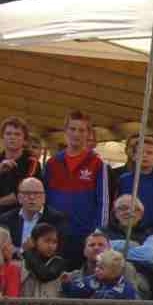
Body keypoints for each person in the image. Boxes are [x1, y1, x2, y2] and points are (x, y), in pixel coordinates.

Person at [41, 110, 109, 263]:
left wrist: (99, 232)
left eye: (81, 130)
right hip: (55, 235)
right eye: (72, 129)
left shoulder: (97, 164)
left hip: (84, 235)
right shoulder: (52, 163)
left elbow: (103, 202)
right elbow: (43, 198)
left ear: (88, 134)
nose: (76, 134)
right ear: (65, 131)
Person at [113, 136, 153, 250]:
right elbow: (115, 209)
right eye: (140, 152)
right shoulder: (124, 180)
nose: (145, 156)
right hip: (128, 237)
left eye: (149, 153)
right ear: (133, 156)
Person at [98, 193, 153, 292]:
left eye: (134, 209)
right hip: (105, 275)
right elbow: (97, 251)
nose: (128, 212)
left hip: (138, 279)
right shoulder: (102, 232)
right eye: (123, 208)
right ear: (115, 213)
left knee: (127, 269)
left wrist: (112, 249)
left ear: (140, 215)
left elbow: (148, 256)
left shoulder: (149, 234)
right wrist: (128, 244)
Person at [0, 177, 66, 253]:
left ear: (44, 198)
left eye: (37, 193)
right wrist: (21, 251)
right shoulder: (6, 218)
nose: (32, 197)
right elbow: (0, 248)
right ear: (19, 198)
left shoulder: (57, 219)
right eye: (27, 193)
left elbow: (59, 250)